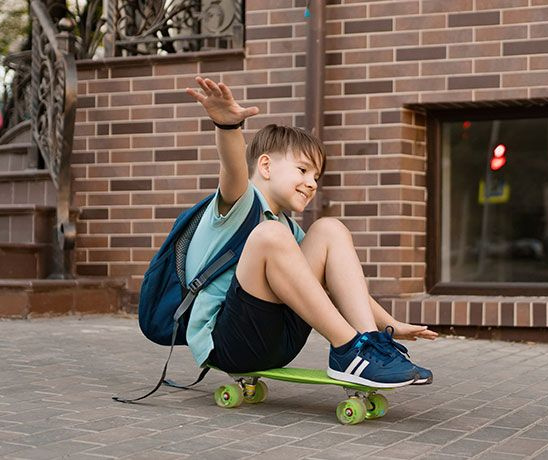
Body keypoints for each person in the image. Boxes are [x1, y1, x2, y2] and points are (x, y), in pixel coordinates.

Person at [182, 76, 435, 388]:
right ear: (265, 166)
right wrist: (227, 126)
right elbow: (234, 168)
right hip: (229, 344)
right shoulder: (238, 204)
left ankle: (370, 345)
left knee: (330, 228)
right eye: (303, 170)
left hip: (279, 342)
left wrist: (390, 325)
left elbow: (340, 284)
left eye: (317, 176)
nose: (313, 183)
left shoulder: (288, 230)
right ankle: (349, 349)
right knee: (269, 235)